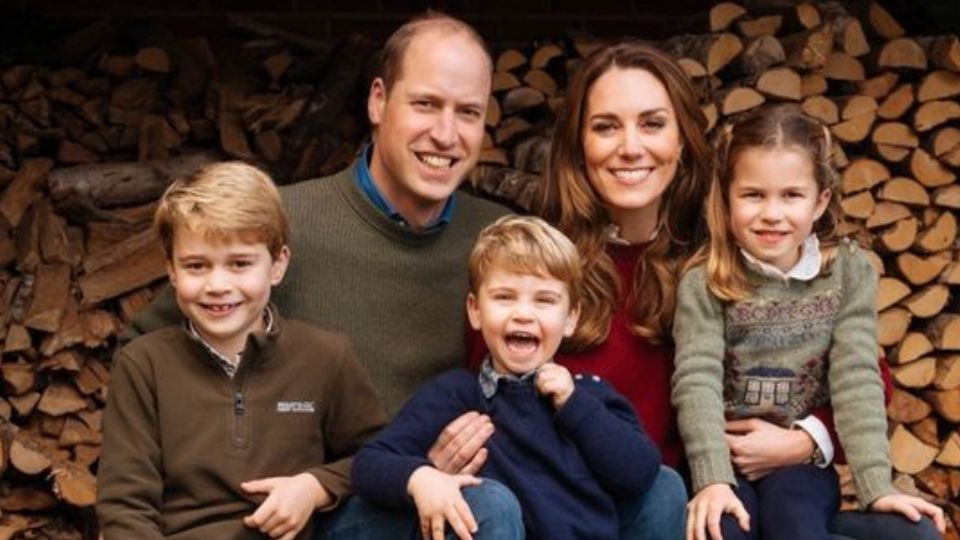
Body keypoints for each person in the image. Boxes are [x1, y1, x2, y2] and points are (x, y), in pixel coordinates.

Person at [531, 40, 926, 540]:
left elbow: (868, 376)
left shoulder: (734, 243)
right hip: (637, 507)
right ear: (577, 143)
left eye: (652, 123)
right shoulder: (544, 263)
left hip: (763, 485)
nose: (630, 146)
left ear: (681, 140)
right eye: (606, 126)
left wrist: (804, 441)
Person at [671, 105, 945, 540]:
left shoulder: (848, 272)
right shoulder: (706, 280)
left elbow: (857, 377)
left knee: (795, 526)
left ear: (820, 201)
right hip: (726, 458)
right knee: (723, 528)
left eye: (791, 196)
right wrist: (712, 478)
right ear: (726, 197)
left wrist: (876, 486)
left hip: (797, 465)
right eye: (753, 195)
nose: (772, 213)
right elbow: (696, 378)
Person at [96, 162, 387, 540]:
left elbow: (376, 457)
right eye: (197, 266)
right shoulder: (143, 365)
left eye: (239, 264)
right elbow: (125, 506)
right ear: (171, 271)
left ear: (278, 264)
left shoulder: (326, 357)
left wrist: (315, 486)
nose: (218, 285)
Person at [353, 215, 662, 540]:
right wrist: (421, 478)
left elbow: (640, 474)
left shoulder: (589, 396)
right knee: (492, 502)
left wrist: (575, 405)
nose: (523, 314)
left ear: (571, 318)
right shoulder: (457, 395)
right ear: (475, 310)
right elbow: (369, 465)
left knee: (665, 483)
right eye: (504, 297)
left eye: (544, 300)